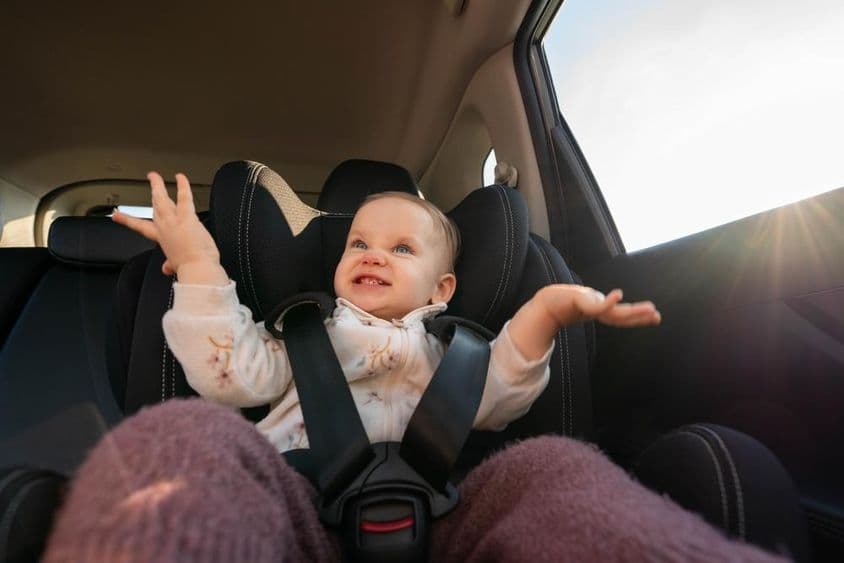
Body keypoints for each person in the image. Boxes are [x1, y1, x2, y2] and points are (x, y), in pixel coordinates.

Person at [43, 172, 787, 562]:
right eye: (359, 242)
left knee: (558, 466)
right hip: (294, 508)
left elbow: (499, 390)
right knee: (187, 438)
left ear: (441, 290)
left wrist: (548, 310)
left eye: (401, 249)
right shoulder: (305, 336)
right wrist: (201, 264)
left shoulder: (451, 354)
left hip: (451, 513)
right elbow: (231, 370)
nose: (371, 253)